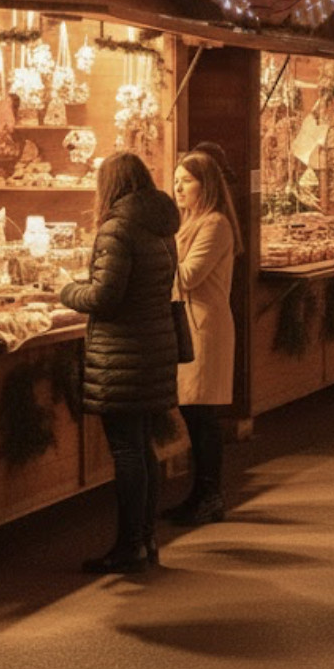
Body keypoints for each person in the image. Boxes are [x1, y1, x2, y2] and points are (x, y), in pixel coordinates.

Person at [60, 152, 181, 573]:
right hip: (153, 346)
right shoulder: (161, 226)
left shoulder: (117, 228)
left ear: (108, 186)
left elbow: (104, 296)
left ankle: (130, 546)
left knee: (128, 451)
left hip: (123, 352)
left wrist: (68, 290)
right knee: (143, 448)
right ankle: (145, 539)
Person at [162, 151, 240, 527]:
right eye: (176, 180)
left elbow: (188, 275)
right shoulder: (186, 223)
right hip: (188, 323)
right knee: (193, 411)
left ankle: (210, 495)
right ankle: (201, 493)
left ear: (205, 185)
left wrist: (152, 260)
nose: (178, 187)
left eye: (187, 180)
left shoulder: (215, 224)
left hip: (204, 327)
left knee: (202, 413)